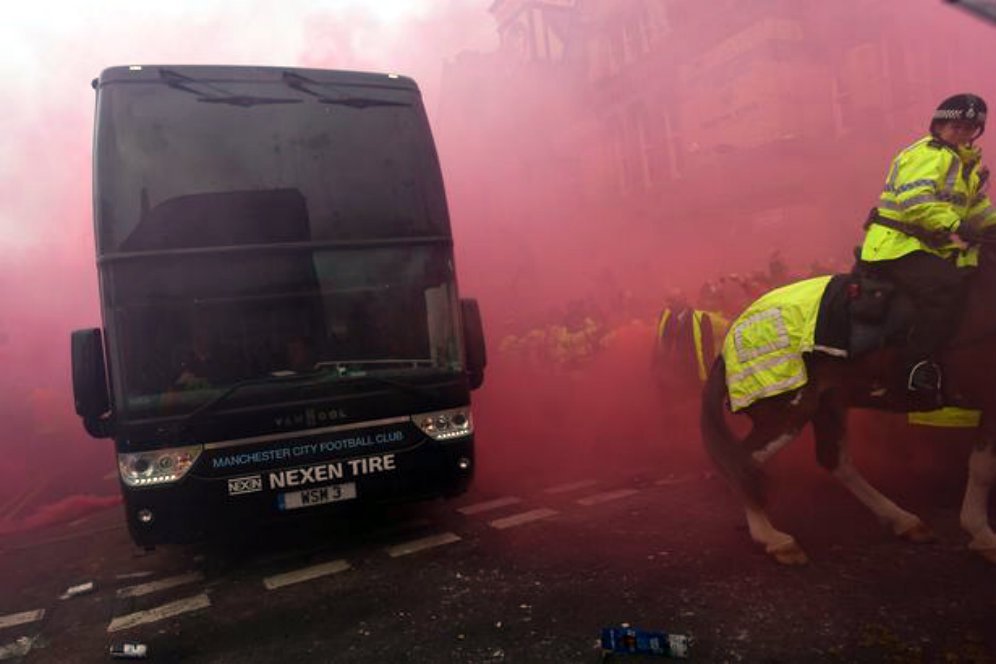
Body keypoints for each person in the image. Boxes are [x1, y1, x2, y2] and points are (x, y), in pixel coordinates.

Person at [859, 93, 996, 400]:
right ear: (939, 125)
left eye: (969, 128)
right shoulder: (926, 154)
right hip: (895, 246)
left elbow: (978, 210)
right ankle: (913, 369)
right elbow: (917, 202)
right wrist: (956, 226)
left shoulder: (967, 167)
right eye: (956, 126)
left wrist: (991, 227)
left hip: (927, 248)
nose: (961, 133)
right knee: (945, 287)